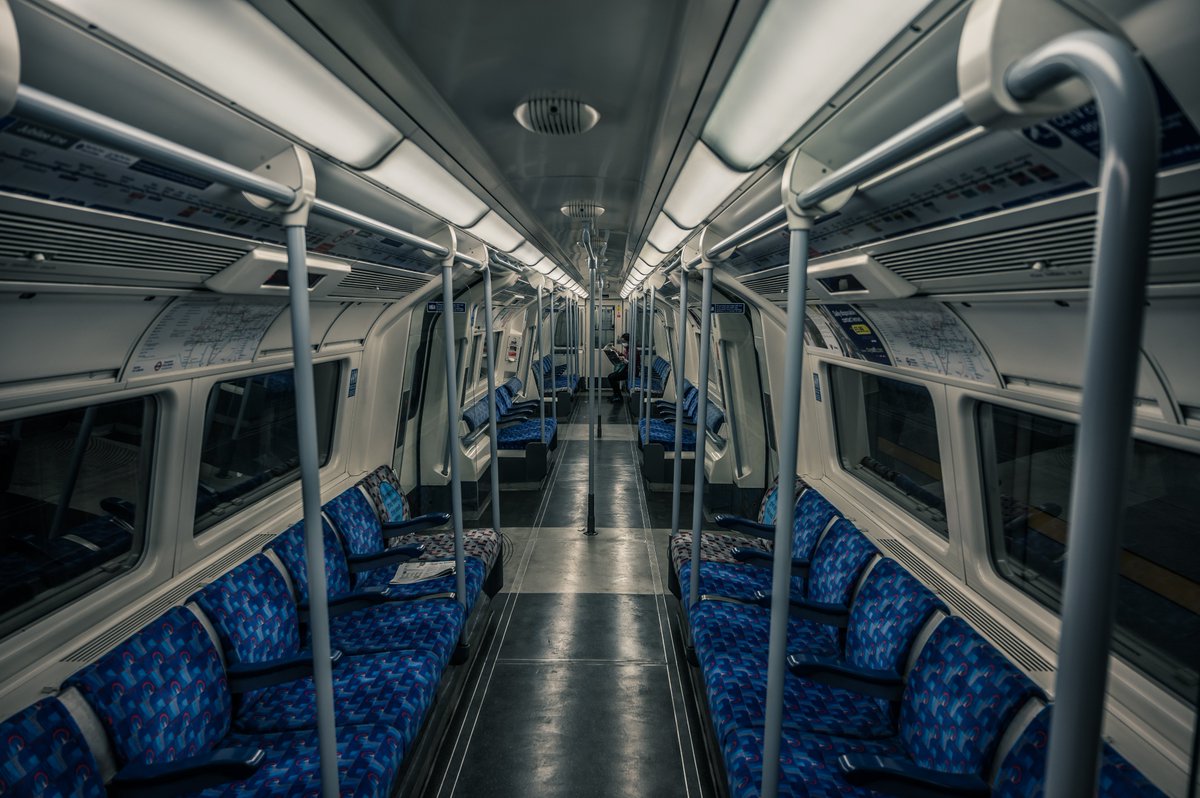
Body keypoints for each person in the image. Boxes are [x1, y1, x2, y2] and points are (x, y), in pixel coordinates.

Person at [606, 333, 633, 403]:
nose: (623, 343)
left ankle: (618, 396)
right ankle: (616, 395)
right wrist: (616, 351)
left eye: (624, 341)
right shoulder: (628, 349)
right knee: (611, 376)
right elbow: (625, 357)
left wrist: (624, 360)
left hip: (630, 371)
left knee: (612, 377)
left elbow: (632, 362)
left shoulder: (633, 350)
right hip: (626, 369)